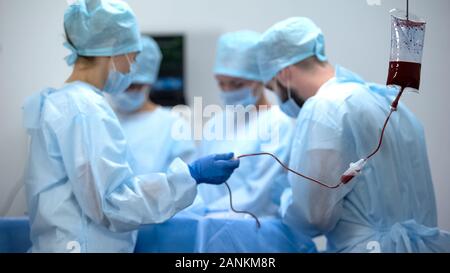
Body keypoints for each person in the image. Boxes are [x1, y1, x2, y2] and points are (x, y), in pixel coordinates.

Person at [22, 0, 238, 253]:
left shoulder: (63, 102)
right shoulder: (86, 109)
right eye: (133, 58)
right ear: (114, 49)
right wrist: (189, 177)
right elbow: (113, 204)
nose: (131, 69)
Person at [257, 17, 450, 252]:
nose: (278, 98)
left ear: (284, 73)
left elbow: (313, 217)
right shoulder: (389, 104)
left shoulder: (324, 108)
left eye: (272, 88)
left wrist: (287, 197)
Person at [194, 30, 294, 218]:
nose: (227, 91)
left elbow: (258, 195)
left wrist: (208, 214)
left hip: (254, 233)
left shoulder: (278, 123)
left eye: (236, 84)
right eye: (221, 83)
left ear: (261, 79)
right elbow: (201, 185)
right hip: (209, 227)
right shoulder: (217, 122)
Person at [109, 36, 195, 174]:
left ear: (149, 82)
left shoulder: (172, 125)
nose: (124, 91)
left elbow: (185, 184)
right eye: (120, 83)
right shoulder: (101, 119)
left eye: (133, 86)